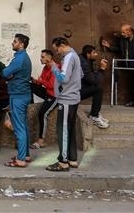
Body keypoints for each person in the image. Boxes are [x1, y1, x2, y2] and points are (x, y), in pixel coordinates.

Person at [46, 36, 82, 172]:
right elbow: (80, 75)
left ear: (62, 45)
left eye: (57, 50)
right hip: (73, 98)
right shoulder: (75, 56)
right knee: (70, 130)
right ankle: (72, 159)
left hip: (67, 99)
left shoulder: (68, 57)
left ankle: (63, 161)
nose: (57, 53)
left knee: (63, 130)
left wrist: (54, 67)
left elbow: (63, 78)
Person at [101, 24, 134, 107]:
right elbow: (121, 50)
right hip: (130, 62)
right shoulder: (123, 39)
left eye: (123, 32)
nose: (122, 34)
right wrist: (109, 46)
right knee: (132, 82)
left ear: (129, 31)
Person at [1, 33, 33, 168]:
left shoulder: (19, 58)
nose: (12, 43)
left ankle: (20, 159)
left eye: (15, 41)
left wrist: (9, 74)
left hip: (18, 95)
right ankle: (25, 155)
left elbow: (5, 73)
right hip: (23, 94)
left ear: (21, 44)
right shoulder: (24, 57)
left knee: (19, 128)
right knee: (23, 126)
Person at [30, 49, 59, 149]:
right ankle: (30, 103)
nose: (40, 59)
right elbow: (42, 82)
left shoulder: (55, 68)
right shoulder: (45, 67)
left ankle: (41, 140)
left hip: (54, 96)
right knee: (29, 85)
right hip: (47, 93)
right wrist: (36, 81)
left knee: (42, 113)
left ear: (49, 58)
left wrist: (41, 81)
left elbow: (51, 85)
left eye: (42, 57)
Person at [79, 45, 110, 129]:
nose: (96, 54)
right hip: (75, 92)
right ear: (88, 54)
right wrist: (102, 69)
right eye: (94, 52)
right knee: (98, 89)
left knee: (97, 87)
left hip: (79, 88)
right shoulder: (84, 64)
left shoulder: (86, 60)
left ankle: (95, 113)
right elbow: (94, 81)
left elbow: (92, 78)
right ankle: (94, 116)